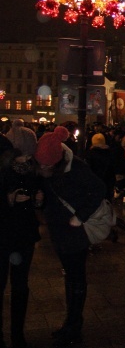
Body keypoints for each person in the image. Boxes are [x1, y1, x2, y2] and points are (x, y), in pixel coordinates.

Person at [33, 126, 105, 347]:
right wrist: (40, 201)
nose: (42, 168)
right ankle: (70, 322)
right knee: (70, 277)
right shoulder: (48, 168)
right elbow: (48, 197)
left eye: (47, 165)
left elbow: (100, 190)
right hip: (58, 230)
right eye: (41, 164)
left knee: (76, 277)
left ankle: (74, 325)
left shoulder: (77, 169)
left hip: (75, 232)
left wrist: (80, 216)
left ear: (57, 160)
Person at [1, 122, 40, 348]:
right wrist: (8, 199)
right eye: (26, 154)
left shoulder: (32, 170)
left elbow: (36, 196)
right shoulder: (3, 172)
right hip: (4, 234)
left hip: (24, 235)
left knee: (20, 286)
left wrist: (38, 199)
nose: (28, 159)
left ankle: (18, 334)